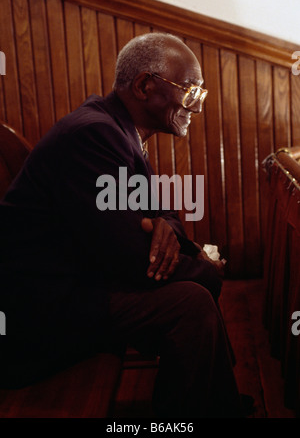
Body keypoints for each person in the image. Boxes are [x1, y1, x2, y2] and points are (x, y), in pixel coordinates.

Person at [0, 32, 243, 417]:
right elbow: (134, 260)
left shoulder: (117, 129)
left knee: (193, 293)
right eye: (191, 91)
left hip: (78, 283)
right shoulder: (93, 134)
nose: (195, 107)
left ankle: (217, 403)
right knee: (192, 300)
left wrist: (161, 222)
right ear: (146, 85)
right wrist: (207, 270)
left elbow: (165, 216)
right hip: (39, 312)